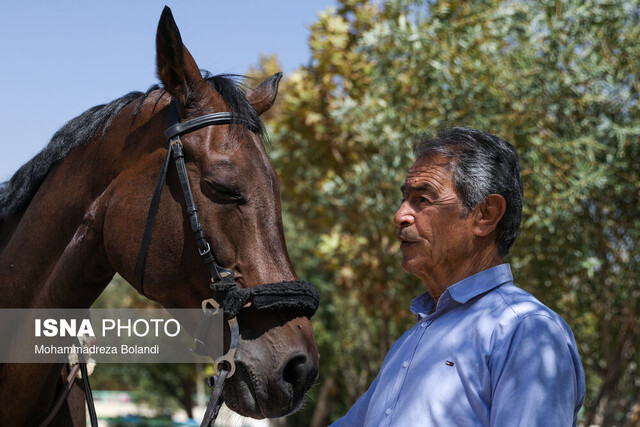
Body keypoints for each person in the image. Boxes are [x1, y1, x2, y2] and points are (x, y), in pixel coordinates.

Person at [330, 127, 585, 426]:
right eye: (405, 198)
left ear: (486, 215)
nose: (400, 215)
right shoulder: (412, 340)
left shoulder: (525, 331)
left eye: (422, 199)